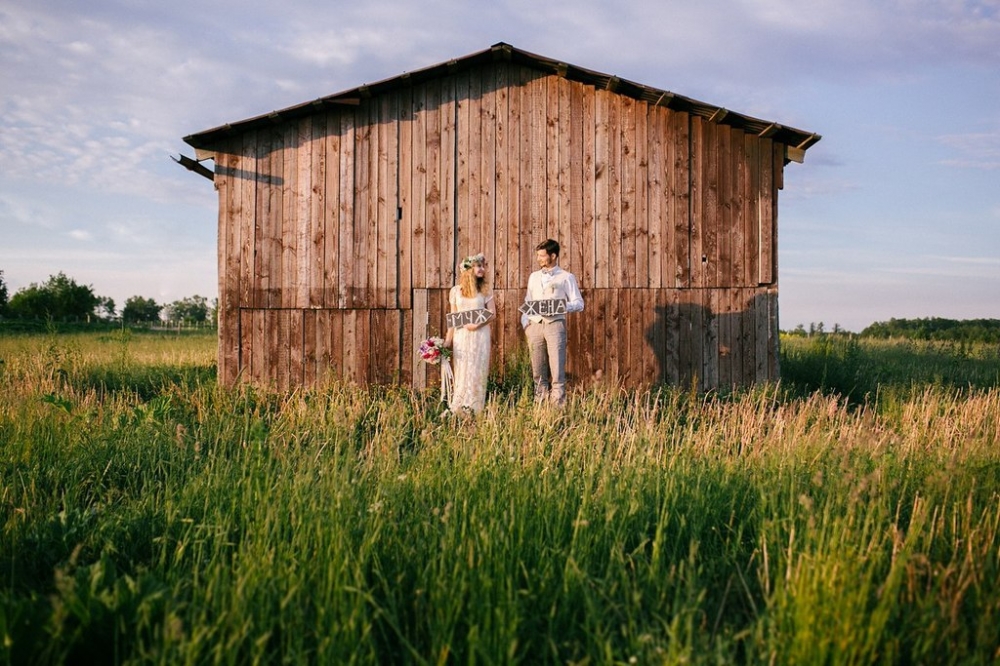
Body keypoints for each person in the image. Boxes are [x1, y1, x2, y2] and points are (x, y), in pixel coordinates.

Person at [521, 239, 584, 406]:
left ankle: (558, 408)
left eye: (542, 256)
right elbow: (528, 300)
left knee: (556, 369)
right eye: (538, 255)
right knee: (537, 370)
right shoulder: (533, 277)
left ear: (553, 256)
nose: (539, 259)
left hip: (555, 325)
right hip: (534, 326)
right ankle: (540, 406)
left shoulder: (566, 277)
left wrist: (559, 307)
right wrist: (525, 324)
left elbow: (579, 303)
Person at [444, 253, 495, 413]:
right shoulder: (456, 291)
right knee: (462, 368)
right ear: (468, 269)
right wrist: (447, 342)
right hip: (462, 336)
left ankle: (475, 406)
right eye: (478, 266)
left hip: (479, 335)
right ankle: (459, 405)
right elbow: (454, 318)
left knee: (477, 368)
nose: (482, 269)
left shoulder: (485, 290)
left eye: (483, 266)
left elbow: (492, 313)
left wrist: (476, 324)